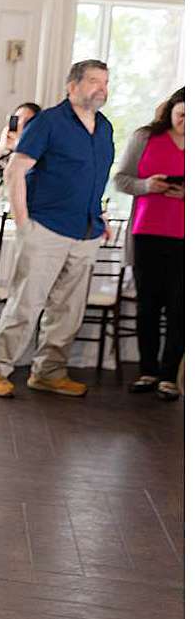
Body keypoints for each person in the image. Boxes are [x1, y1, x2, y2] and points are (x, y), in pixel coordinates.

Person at [0, 59, 114, 398]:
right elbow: (15, 171)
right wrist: (24, 223)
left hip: (86, 231)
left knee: (68, 311)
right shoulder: (49, 122)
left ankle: (49, 373)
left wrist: (100, 216)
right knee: (26, 304)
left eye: (106, 82)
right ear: (72, 86)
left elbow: (94, 178)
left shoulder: (106, 127)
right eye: (94, 81)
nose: (102, 88)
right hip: (46, 227)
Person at [114, 85, 184, 400]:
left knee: (181, 309)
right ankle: (148, 371)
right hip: (147, 234)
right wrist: (147, 185)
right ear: (170, 110)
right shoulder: (144, 137)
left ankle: (169, 377)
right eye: (182, 115)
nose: (187, 122)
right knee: (148, 305)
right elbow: (121, 179)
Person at [0, 101, 42, 197]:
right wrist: (2, 146)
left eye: (27, 121)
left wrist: (19, 145)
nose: (20, 123)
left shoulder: (39, 145)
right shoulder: (4, 139)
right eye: (17, 119)